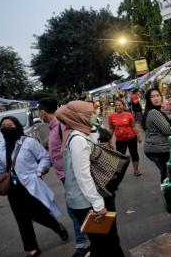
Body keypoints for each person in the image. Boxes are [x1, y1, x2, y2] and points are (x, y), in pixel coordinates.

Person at [0, 116, 68, 257]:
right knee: (21, 218)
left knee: (38, 213)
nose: (7, 127)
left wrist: (39, 171)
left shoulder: (29, 142)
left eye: (10, 124)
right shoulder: (0, 147)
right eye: (4, 125)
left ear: (17, 126)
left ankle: (56, 226)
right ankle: (31, 247)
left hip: (30, 185)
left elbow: (44, 157)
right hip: (12, 189)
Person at [56, 101, 124, 257]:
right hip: (87, 203)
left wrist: (93, 127)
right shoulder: (78, 140)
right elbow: (83, 176)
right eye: (90, 114)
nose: (94, 116)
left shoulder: (79, 133)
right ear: (78, 117)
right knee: (107, 242)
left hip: (87, 200)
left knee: (104, 242)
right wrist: (98, 204)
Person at [37, 98, 90, 257]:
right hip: (63, 176)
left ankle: (84, 244)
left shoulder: (61, 125)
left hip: (70, 176)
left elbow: (71, 150)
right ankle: (87, 241)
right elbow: (55, 153)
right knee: (76, 209)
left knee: (76, 209)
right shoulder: (52, 127)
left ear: (42, 111)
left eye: (38, 110)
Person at [142, 88, 171, 183]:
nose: (156, 98)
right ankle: (169, 195)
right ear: (149, 100)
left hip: (156, 148)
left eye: (157, 95)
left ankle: (168, 193)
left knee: (165, 173)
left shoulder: (156, 110)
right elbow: (168, 130)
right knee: (167, 174)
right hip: (159, 149)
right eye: (152, 97)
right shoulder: (153, 112)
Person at [108, 99, 142, 176]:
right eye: (116, 105)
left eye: (119, 105)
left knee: (134, 154)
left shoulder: (128, 114)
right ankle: (119, 173)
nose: (118, 107)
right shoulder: (111, 117)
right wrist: (109, 139)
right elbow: (111, 128)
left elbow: (134, 126)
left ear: (123, 106)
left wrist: (139, 136)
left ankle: (136, 171)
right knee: (120, 157)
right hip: (120, 141)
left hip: (131, 139)